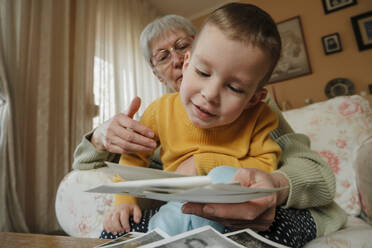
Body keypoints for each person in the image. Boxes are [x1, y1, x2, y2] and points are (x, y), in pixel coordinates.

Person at [73, 4, 346, 248]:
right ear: (155, 73)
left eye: (181, 46)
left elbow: (305, 172)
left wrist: (206, 163)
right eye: (163, 56)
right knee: (115, 236)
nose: (177, 59)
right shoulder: (156, 114)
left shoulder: (256, 112)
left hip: (241, 208)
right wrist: (100, 138)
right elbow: (113, 163)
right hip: (179, 212)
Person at [109, 3, 283, 236]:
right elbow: (133, 157)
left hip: (231, 203)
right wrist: (122, 199)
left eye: (233, 87)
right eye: (203, 73)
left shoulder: (261, 116)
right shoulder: (159, 110)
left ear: (254, 99)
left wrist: (205, 163)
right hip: (179, 202)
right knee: (166, 222)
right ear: (189, 64)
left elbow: (266, 168)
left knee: (223, 177)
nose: (210, 94)